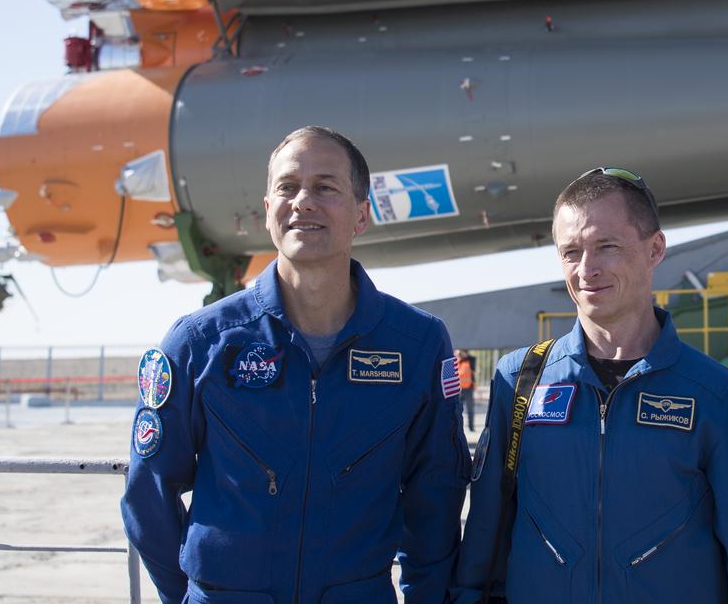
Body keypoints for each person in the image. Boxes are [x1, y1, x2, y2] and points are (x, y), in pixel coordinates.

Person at [121, 126, 469, 604]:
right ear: (268, 212)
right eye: (287, 187)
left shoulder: (417, 344)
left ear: (362, 215)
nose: (303, 201)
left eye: (325, 187)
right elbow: (148, 493)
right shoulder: (200, 342)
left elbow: (436, 496)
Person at [452, 168, 728, 604]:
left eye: (606, 246)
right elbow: (485, 534)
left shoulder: (714, 394)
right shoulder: (519, 381)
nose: (586, 269)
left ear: (655, 249)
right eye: (570, 252)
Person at [457, 349, 476, 431]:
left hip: (469, 389)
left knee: (470, 409)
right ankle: (457, 427)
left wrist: (465, 356)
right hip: (459, 389)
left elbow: (473, 366)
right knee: (457, 409)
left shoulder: (470, 360)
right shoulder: (457, 360)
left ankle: (471, 427)